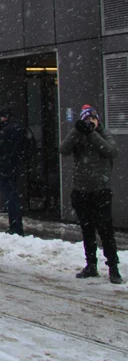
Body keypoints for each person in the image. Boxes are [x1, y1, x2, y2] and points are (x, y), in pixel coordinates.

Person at [60, 104, 121, 284]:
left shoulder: (103, 134)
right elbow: (63, 149)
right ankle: (91, 265)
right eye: (87, 120)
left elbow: (111, 151)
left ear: (98, 120)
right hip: (81, 191)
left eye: (93, 119)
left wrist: (92, 133)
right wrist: (76, 131)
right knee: (87, 230)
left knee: (105, 231)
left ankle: (113, 267)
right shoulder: (78, 136)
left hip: (100, 191)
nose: (90, 122)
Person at [0, 107, 34, 236]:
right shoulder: (19, 128)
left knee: (11, 198)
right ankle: (15, 226)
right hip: (14, 167)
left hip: (5, 168)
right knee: (13, 197)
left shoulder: (8, 130)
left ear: (5, 118)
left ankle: (16, 228)